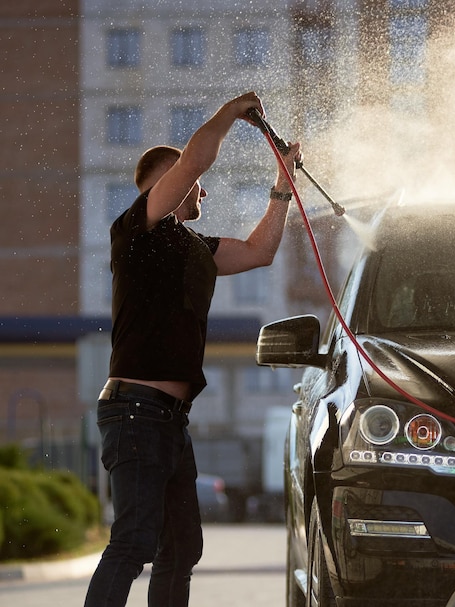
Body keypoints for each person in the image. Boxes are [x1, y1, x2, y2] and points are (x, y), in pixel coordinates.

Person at [84, 91, 302, 607]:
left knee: (181, 549)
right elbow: (198, 157)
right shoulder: (138, 229)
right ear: (167, 183)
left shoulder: (192, 246)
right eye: (187, 178)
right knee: (134, 542)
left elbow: (259, 253)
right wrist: (231, 112)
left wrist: (281, 186)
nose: (199, 186)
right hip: (135, 413)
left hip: (168, 419)